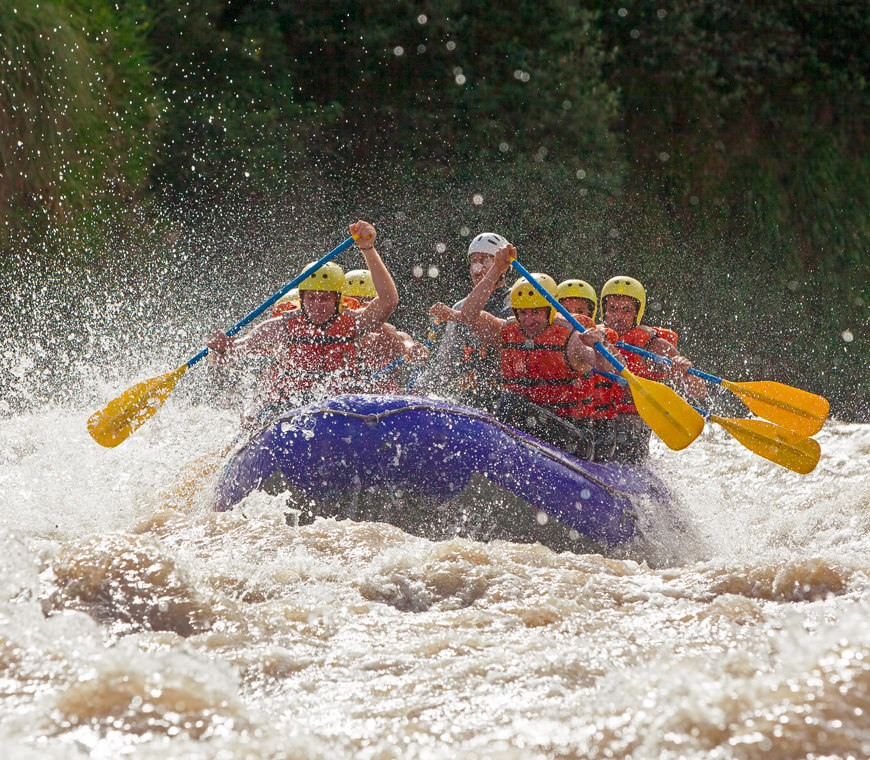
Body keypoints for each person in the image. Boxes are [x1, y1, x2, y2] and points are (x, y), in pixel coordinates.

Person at [206, 220, 399, 427]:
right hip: (288, 411)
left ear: (338, 300)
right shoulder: (280, 327)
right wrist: (221, 350)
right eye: (311, 298)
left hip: (340, 411)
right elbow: (231, 354)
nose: (317, 305)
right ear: (301, 298)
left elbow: (388, 300)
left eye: (324, 298)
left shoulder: (354, 323)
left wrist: (367, 249)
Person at [458, 244, 618, 458]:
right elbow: (468, 315)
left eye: (536, 312)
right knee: (483, 400)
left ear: (550, 310)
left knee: (511, 404)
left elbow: (605, 366)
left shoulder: (571, 339)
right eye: (522, 313)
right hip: (529, 430)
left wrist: (599, 347)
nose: (528, 320)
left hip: (573, 439)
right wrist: (496, 269)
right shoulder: (506, 331)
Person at [599, 275, 706, 462]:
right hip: (598, 419)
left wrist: (684, 372)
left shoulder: (655, 345)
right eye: (612, 309)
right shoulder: (592, 337)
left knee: (627, 427)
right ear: (604, 311)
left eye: (626, 310)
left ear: (637, 313)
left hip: (632, 424)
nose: (618, 317)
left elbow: (698, 392)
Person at [418, 232, 513, 410]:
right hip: (464, 400)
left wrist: (454, 315)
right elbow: (444, 364)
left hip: (500, 401)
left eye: (486, 260)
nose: (477, 269)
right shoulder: (460, 306)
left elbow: (503, 335)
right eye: (474, 261)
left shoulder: (514, 301)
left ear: (503, 267)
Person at [557, 279, 619, 461]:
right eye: (566, 310)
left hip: (598, 426)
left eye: (580, 311)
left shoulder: (599, 337)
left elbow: (617, 365)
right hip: (563, 419)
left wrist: (601, 344)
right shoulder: (547, 337)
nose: (573, 316)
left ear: (590, 315)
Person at [344, 268, 429, 392]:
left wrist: (416, 351)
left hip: (385, 400)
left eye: (366, 303)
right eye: (353, 303)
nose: (359, 311)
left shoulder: (395, 334)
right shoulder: (335, 336)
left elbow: (409, 348)